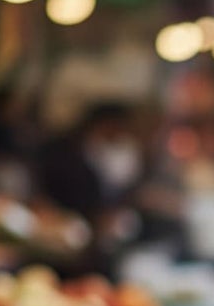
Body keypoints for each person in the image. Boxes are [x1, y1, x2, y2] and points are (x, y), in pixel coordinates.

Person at [35, 102, 143, 279]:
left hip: (97, 232)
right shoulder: (63, 149)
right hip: (62, 228)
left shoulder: (115, 152)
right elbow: (47, 189)